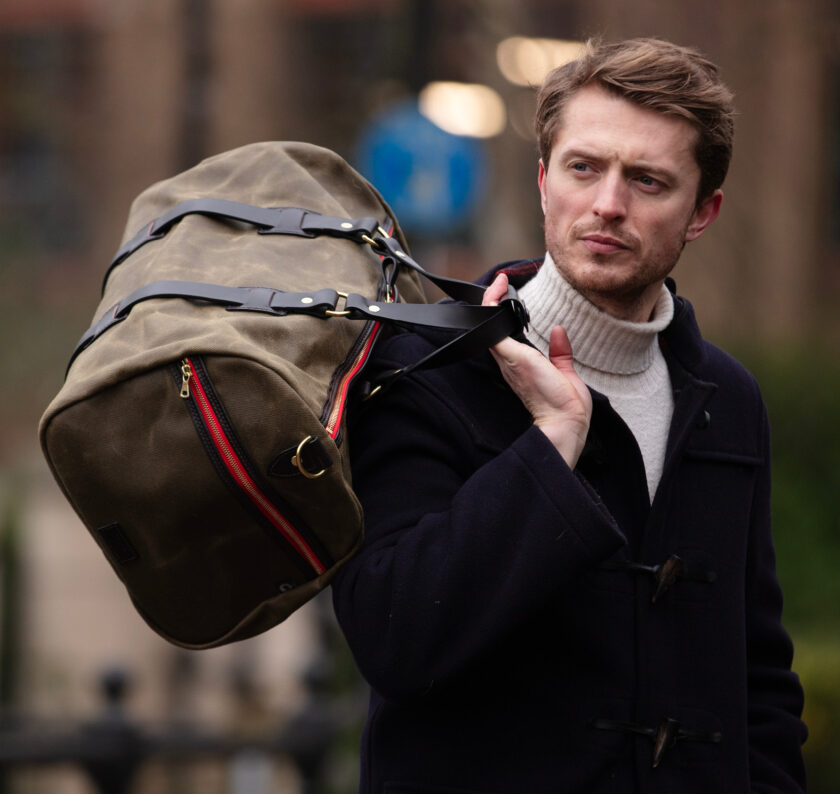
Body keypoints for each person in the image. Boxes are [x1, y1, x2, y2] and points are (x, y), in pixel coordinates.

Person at [332, 37, 807, 793]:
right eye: (584, 168)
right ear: (544, 180)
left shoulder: (727, 398)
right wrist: (554, 443)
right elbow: (394, 638)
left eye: (648, 180)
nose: (608, 204)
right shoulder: (425, 369)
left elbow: (761, 683)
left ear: (702, 212)